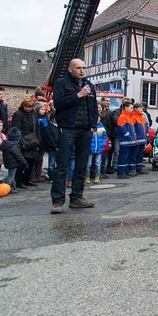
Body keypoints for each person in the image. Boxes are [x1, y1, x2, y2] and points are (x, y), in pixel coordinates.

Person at [50, 59, 98, 214]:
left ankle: (77, 197)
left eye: (84, 68)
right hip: (68, 128)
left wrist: (93, 125)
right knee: (62, 165)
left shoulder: (89, 85)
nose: (82, 70)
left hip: (85, 129)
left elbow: (93, 107)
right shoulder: (61, 83)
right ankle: (58, 201)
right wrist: (78, 95)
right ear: (70, 69)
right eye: (78, 68)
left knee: (82, 165)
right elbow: (58, 103)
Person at [12, 98, 40, 188]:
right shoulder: (18, 114)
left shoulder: (34, 114)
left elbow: (37, 127)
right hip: (23, 140)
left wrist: (39, 139)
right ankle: (19, 182)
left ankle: (27, 179)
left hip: (33, 140)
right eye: (26, 106)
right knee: (22, 163)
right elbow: (16, 128)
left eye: (30, 107)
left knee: (31, 162)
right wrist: (19, 141)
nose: (28, 108)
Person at [0, 128, 27, 193]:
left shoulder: (6, 144)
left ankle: (13, 187)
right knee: (11, 175)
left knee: (12, 175)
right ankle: (8, 187)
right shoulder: (13, 146)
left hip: (9, 162)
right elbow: (18, 156)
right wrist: (24, 162)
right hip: (13, 163)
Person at [86, 109, 107, 184]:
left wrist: (103, 144)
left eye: (98, 118)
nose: (97, 120)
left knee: (98, 162)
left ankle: (97, 175)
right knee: (89, 163)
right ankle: (87, 176)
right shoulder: (89, 127)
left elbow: (104, 137)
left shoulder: (101, 127)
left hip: (99, 147)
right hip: (90, 148)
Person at [116, 101, 136, 179]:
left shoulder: (129, 117)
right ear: (126, 108)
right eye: (131, 108)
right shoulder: (122, 117)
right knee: (123, 157)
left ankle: (125, 171)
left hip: (129, 141)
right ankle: (121, 173)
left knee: (127, 157)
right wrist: (129, 137)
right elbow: (122, 128)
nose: (132, 109)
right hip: (125, 141)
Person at [40, 112, 60, 181]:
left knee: (59, 162)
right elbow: (50, 139)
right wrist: (55, 146)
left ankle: (57, 176)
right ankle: (51, 176)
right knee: (52, 162)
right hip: (52, 148)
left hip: (60, 147)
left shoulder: (60, 127)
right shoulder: (49, 128)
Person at [132, 103, 149, 175]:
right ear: (135, 109)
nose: (142, 110)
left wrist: (146, 137)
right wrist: (135, 138)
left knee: (140, 155)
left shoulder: (143, 117)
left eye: (142, 108)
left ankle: (139, 168)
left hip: (142, 139)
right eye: (140, 108)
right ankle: (132, 169)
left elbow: (146, 128)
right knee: (134, 155)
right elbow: (133, 129)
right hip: (137, 139)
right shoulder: (133, 117)